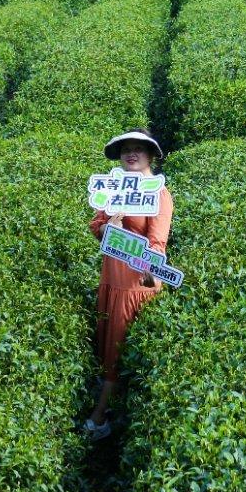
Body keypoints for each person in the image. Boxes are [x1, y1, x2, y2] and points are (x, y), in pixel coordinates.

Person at [83, 129, 173, 441]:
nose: (131, 154)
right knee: (104, 345)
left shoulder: (158, 194)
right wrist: (110, 225)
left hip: (134, 284)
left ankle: (100, 417)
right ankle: (109, 407)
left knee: (115, 352)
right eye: (126, 150)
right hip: (110, 280)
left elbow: (157, 241)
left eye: (138, 150)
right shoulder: (115, 189)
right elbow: (96, 226)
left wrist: (151, 266)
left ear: (150, 156)